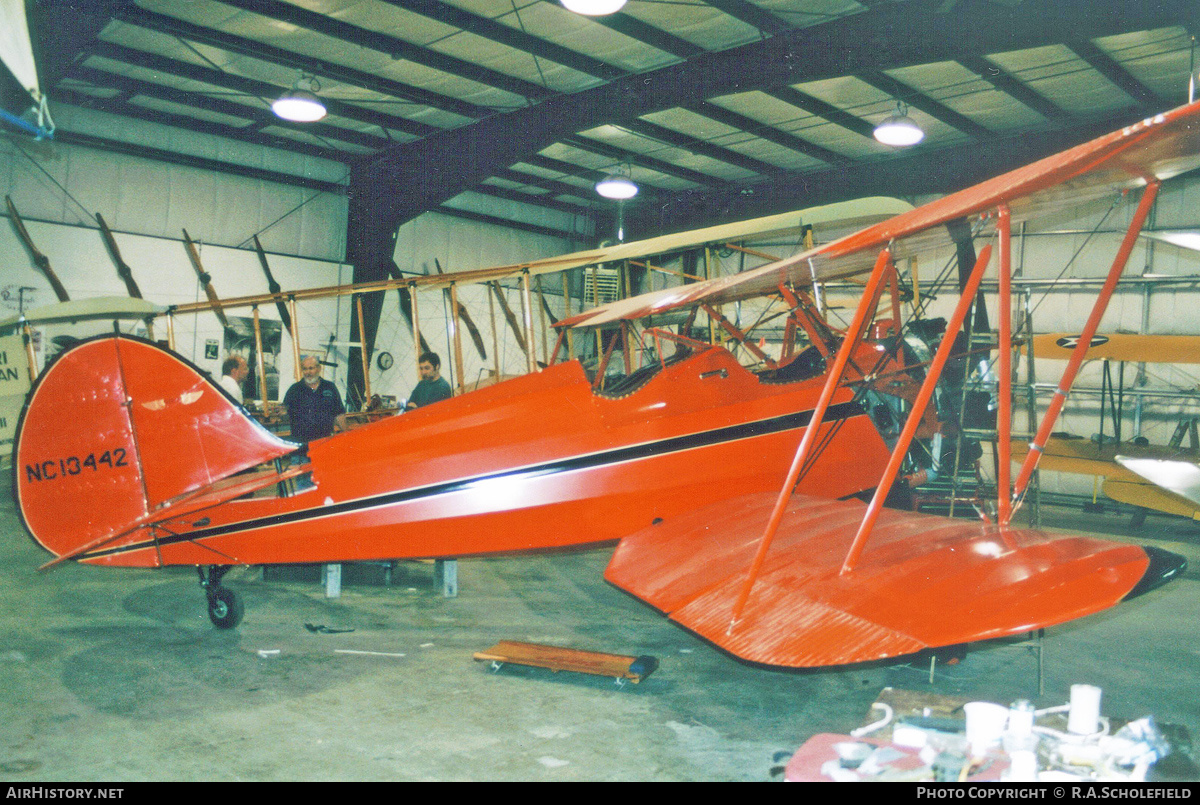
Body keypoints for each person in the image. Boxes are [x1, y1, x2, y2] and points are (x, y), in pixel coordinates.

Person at [282, 355, 348, 444]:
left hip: (324, 442)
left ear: (319, 368)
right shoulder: (294, 389)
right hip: (301, 445)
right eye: (305, 369)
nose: (308, 372)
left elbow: (339, 414)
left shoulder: (330, 387)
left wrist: (347, 435)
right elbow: (285, 416)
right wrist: (282, 414)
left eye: (311, 368)